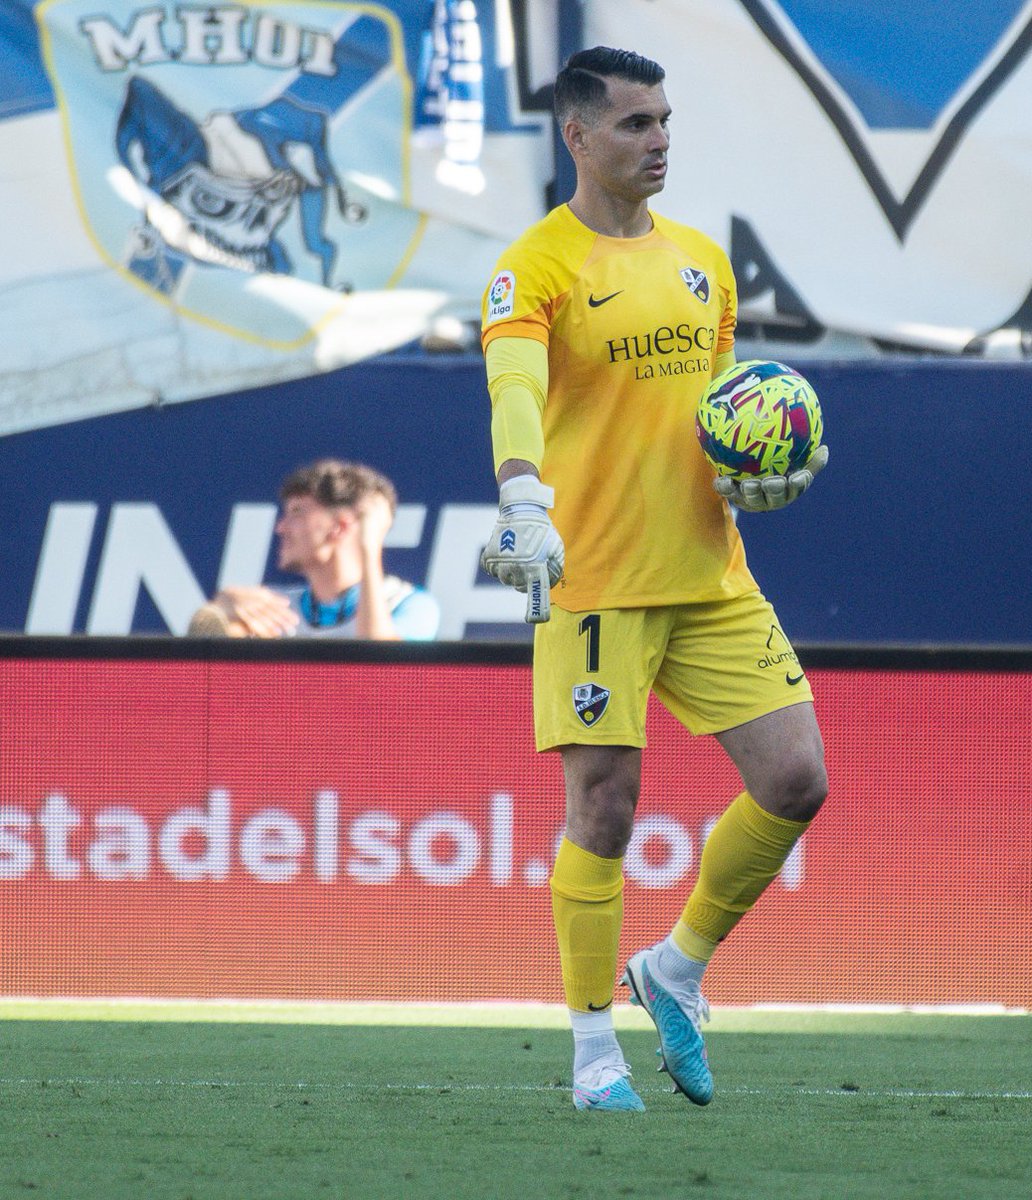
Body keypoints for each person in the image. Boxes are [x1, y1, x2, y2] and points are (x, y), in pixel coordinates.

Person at [479, 46, 830, 1113]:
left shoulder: (702, 262)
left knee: (796, 780)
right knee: (605, 810)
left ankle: (673, 968)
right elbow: (516, 381)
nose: (659, 139)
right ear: (577, 136)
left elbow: (720, 410)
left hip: (710, 574)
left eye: (666, 120)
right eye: (635, 124)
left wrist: (762, 470)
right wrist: (522, 493)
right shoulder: (534, 264)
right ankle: (592, 1055)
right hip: (596, 581)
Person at [188, 459, 440, 640]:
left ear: (340, 527)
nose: (281, 527)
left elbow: (381, 670)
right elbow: (204, 668)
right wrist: (221, 607)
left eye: (297, 512)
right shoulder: (275, 609)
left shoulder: (409, 604)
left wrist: (369, 547)